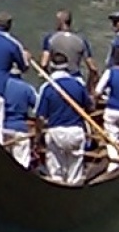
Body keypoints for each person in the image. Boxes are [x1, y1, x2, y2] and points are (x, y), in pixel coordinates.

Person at [34, 53, 94, 184]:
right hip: (76, 133)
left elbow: (40, 116)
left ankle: (56, 183)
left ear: (51, 67)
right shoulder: (78, 84)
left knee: (55, 173)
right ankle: (74, 184)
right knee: (75, 173)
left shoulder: (47, 87)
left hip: (55, 133)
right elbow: (90, 107)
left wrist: (37, 139)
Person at [38, 10, 98, 86]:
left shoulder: (50, 38)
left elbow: (44, 64)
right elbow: (93, 68)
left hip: (56, 80)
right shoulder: (81, 39)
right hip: (76, 80)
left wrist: (48, 78)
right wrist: (89, 87)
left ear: (61, 22)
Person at [0, 73, 38, 169]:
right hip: (20, 129)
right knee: (22, 163)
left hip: (1, 129)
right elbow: (39, 109)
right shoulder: (27, 88)